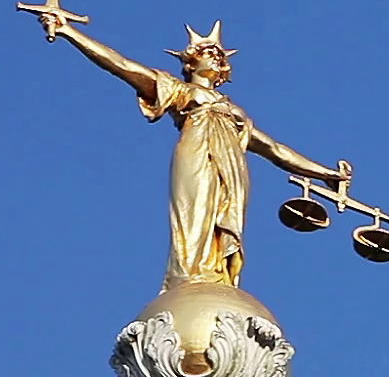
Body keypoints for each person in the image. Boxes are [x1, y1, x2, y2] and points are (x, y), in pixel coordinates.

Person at [34, 15, 350, 289]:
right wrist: (69, 32)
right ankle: (187, 280)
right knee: (194, 217)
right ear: (191, 61)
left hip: (231, 167)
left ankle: (216, 280)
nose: (214, 57)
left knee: (220, 222)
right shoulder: (181, 91)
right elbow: (123, 66)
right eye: (206, 52)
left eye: (218, 54)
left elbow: (275, 150)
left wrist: (327, 174)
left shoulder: (234, 113)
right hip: (197, 155)